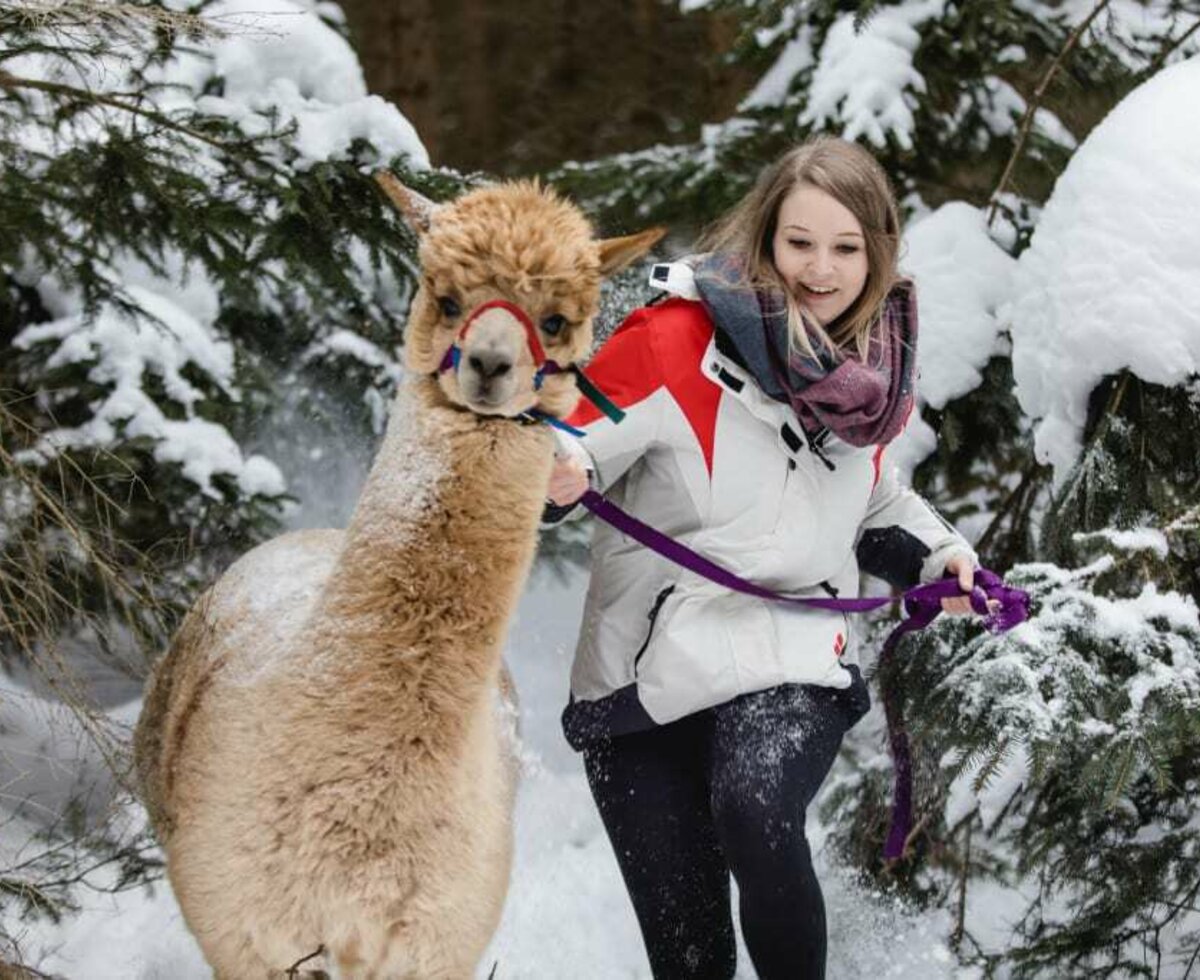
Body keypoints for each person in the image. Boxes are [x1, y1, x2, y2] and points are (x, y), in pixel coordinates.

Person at [542, 136, 983, 980]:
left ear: (878, 254)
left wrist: (943, 565)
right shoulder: (671, 340)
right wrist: (558, 471)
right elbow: (573, 439)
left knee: (754, 803)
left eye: (847, 248)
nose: (821, 269)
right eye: (800, 243)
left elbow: (880, 503)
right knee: (691, 958)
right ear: (765, 239)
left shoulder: (870, 377)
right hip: (642, 681)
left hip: (788, 655)